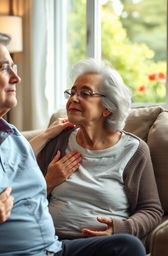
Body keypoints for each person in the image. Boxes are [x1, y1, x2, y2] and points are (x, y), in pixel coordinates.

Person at [0, 31, 146, 256]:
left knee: (127, 247)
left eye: (13, 67)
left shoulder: (12, 136)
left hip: (53, 250)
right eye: (4, 68)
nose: (17, 77)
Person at [36, 58, 163, 246]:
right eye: (72, 92)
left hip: (101, 245)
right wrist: (47, 183)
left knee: (130, 246)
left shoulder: (133, 150)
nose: (74, 98)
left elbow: (151, 210)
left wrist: (120, 229)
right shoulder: (58, 141)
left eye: (85, 93)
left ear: (107, 107)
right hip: (52, 241)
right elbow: (22, 196)